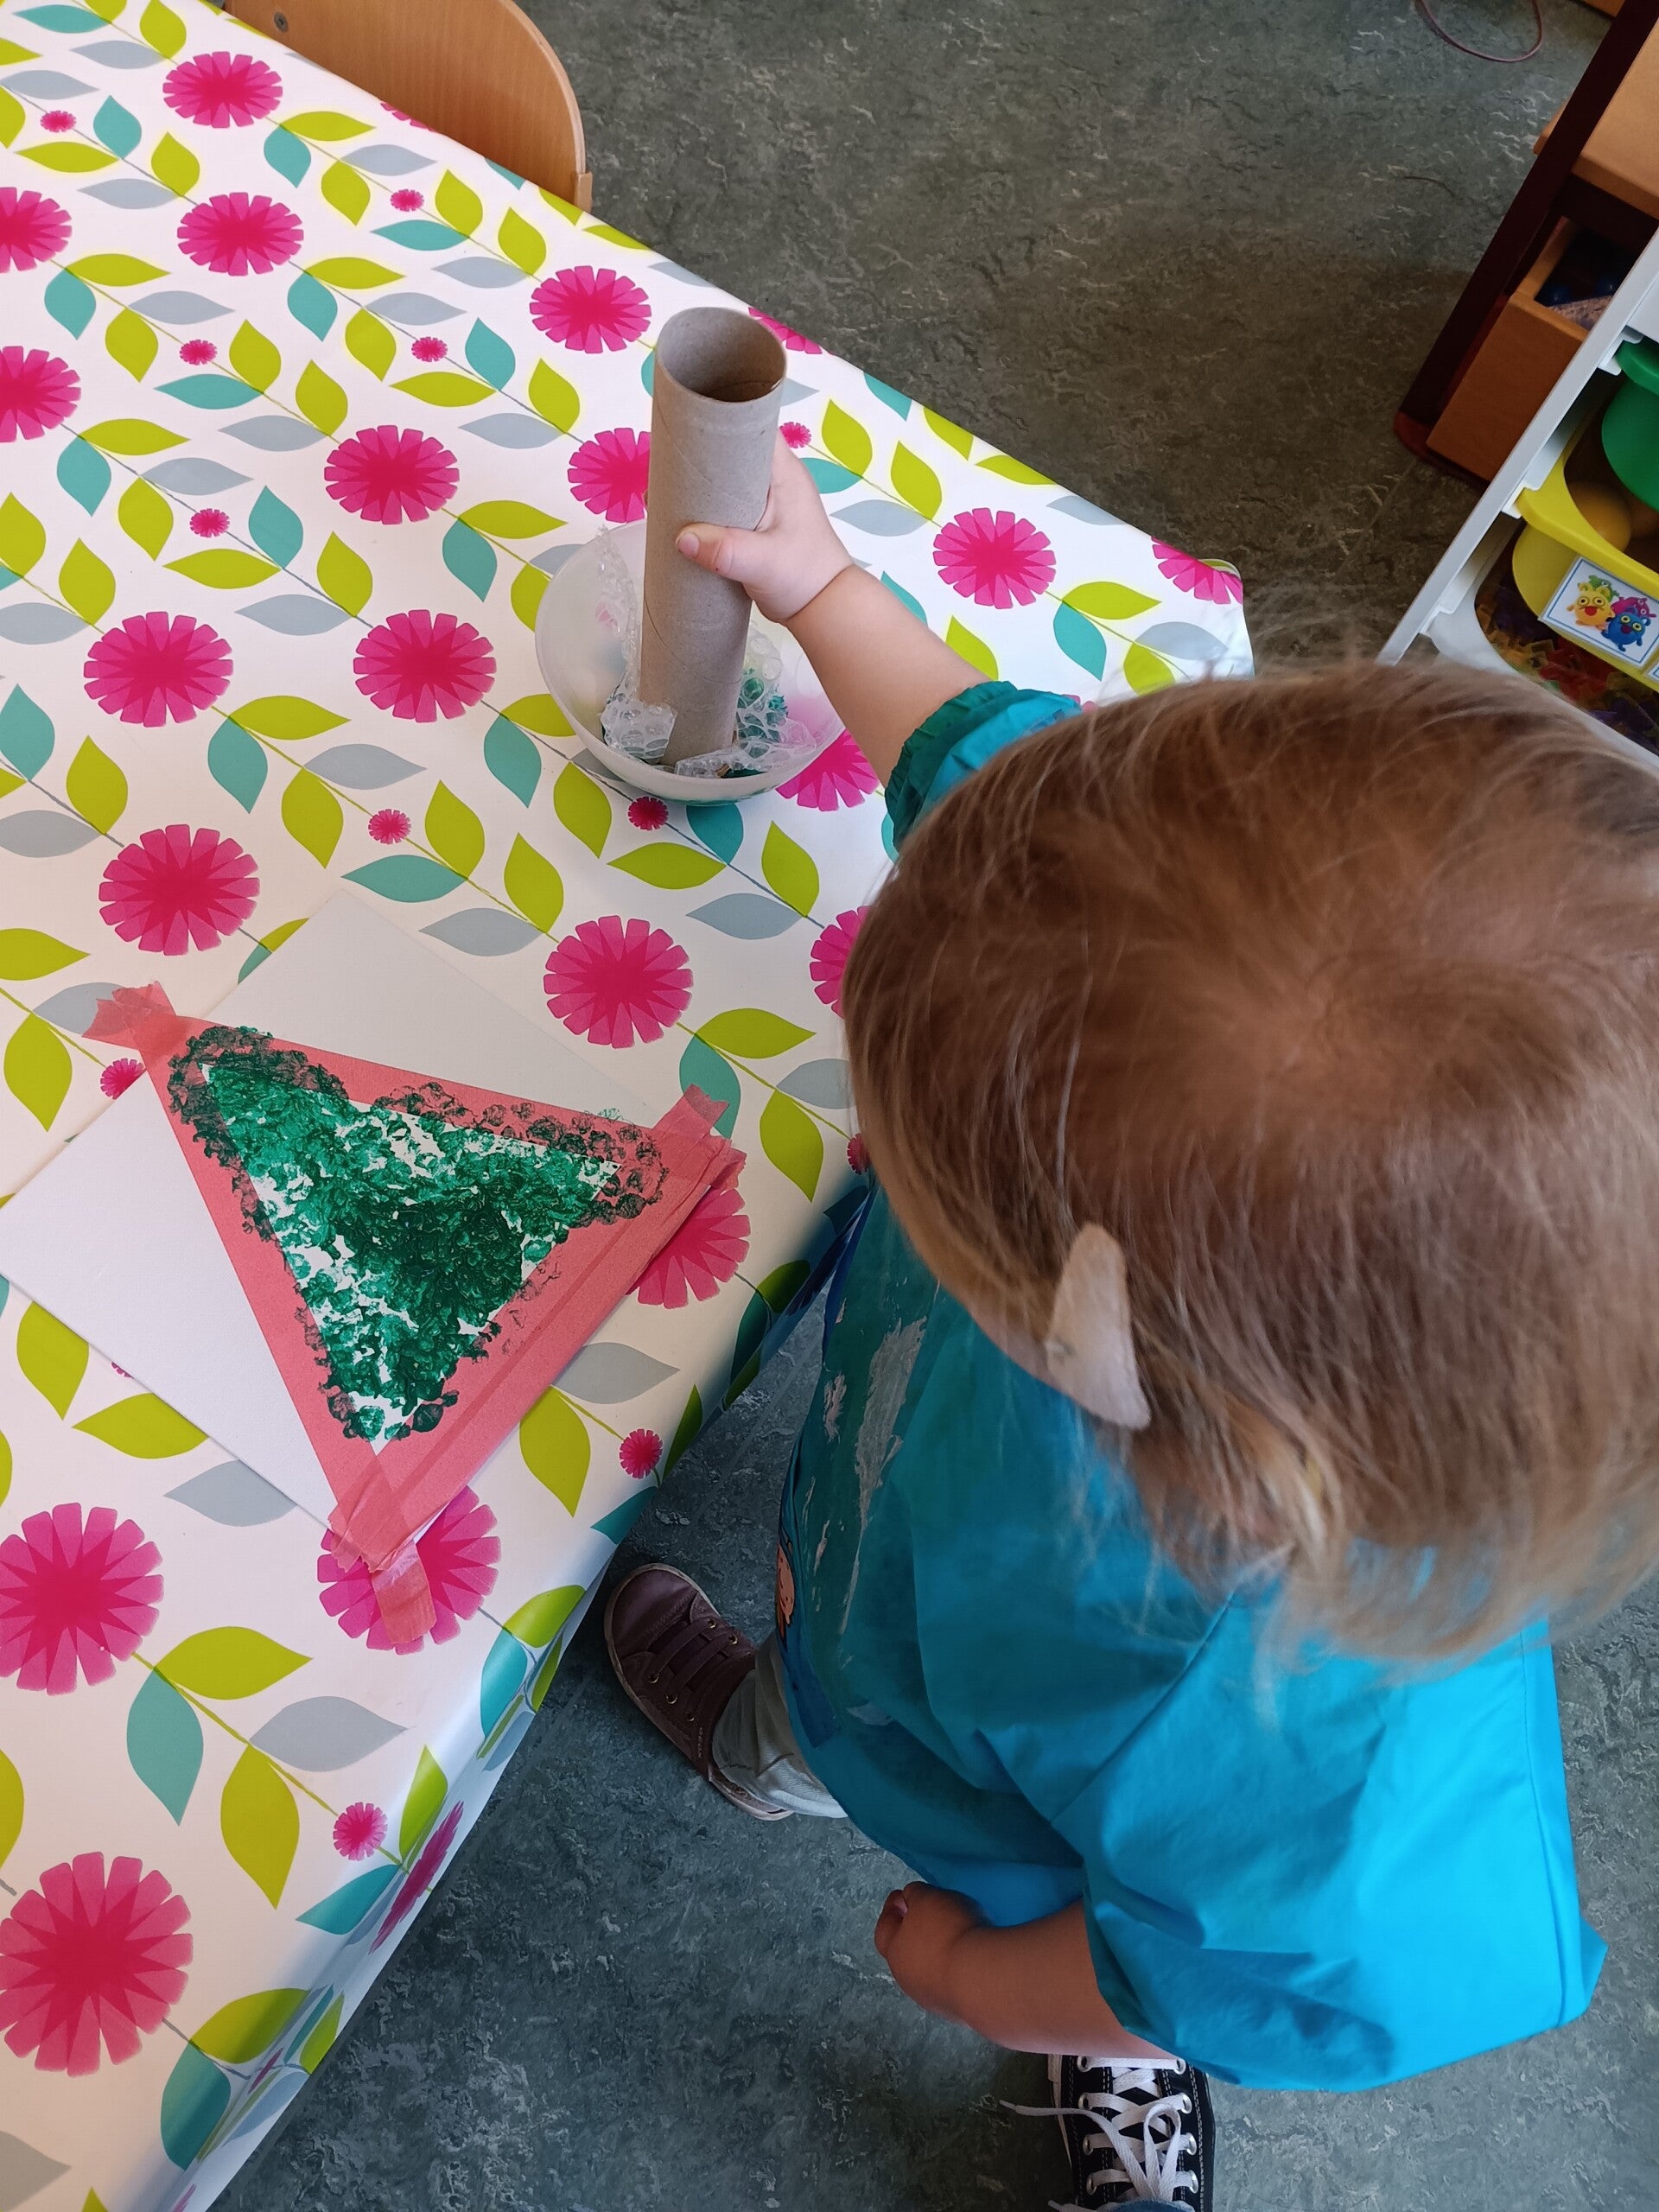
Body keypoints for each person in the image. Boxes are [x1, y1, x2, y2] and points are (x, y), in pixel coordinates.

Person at [605, 441, 1659, 2209]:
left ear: (1107, 1345)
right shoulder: (1120, 946)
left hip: (1059, 1856)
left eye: (930, 1173)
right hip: (885, 1581)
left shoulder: (1330, 1770)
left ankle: (1107, 2081)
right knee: (833, 1687)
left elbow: (1250, 1957)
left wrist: (985, 1980)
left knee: (1118, 1939)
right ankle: (776, 1742)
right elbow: (991, 788)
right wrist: (827, 591)